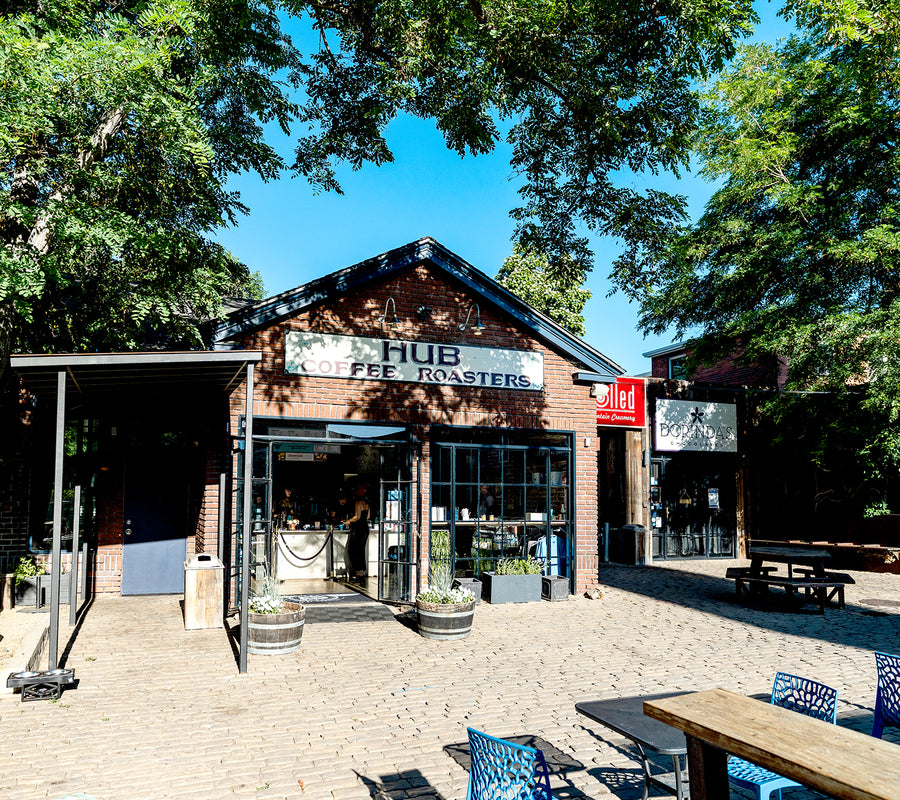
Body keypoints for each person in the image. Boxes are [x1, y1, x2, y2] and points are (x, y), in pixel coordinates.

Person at [343, 484, 370, 581]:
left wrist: (348, 521)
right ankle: (362, 571)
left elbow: (357, 517)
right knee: (361, 550)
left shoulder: (358, 503)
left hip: (358, 528)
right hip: (365, 528)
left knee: (353, 550)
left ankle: (357, 571)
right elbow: (367, 517)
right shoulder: (366, 503)